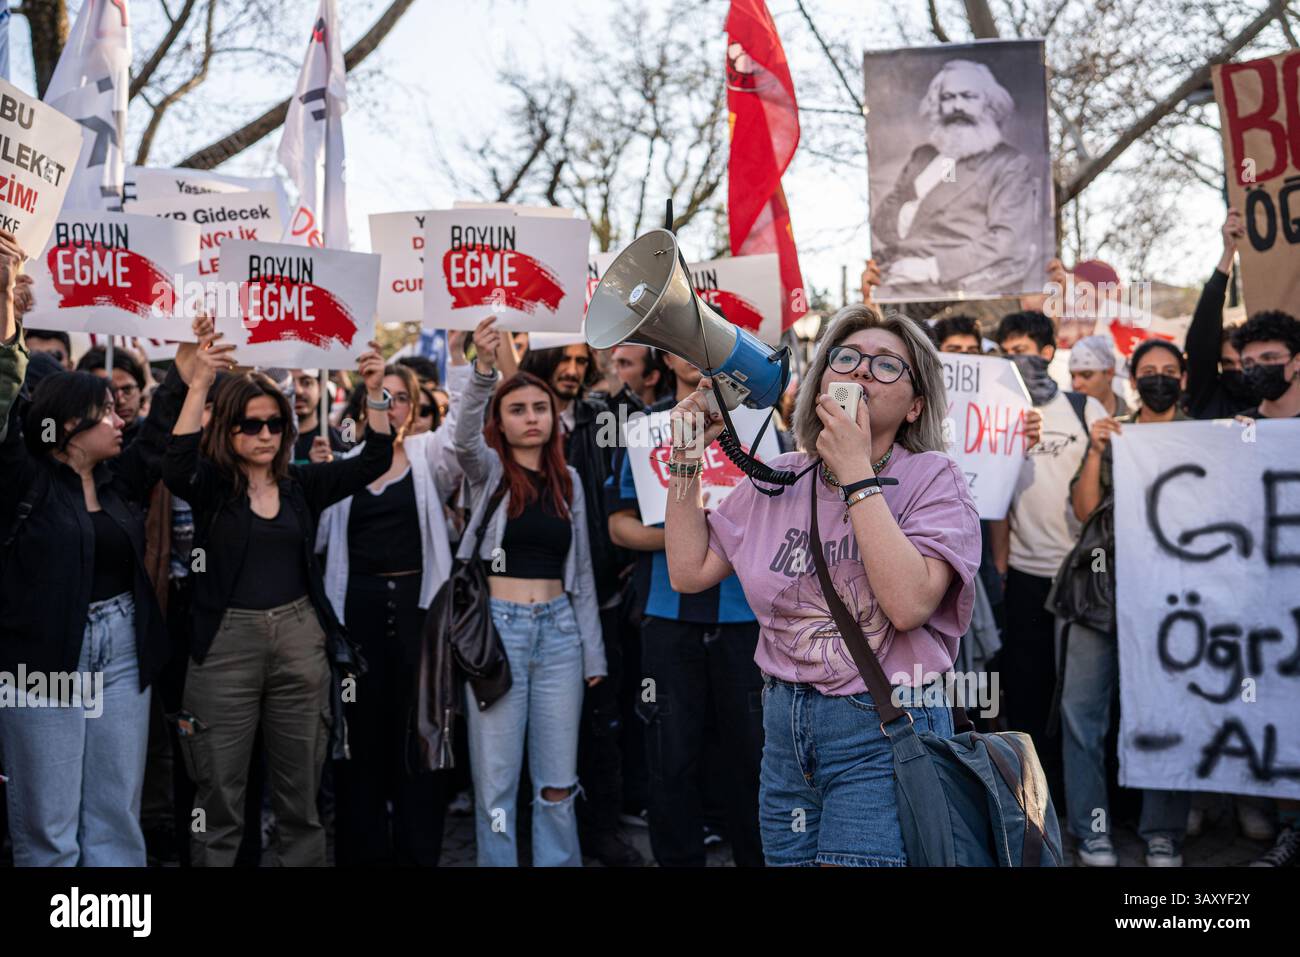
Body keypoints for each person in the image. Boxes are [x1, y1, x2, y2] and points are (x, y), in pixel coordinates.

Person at [664, 304, 981, 865]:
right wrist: (687, 457)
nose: (861, 372)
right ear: (819, 384)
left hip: (884, 731)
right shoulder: (783, 476)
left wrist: (858, 473)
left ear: (915, 407)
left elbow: (908, 605)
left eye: (887, 366)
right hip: (785, 732)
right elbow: (689, 572)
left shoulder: (932, 478)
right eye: (847, 358)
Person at [0, 269, 213, 867]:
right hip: (43, 662)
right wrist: (5, 308)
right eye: (105, 414)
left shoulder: (120, 481)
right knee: (49, 827)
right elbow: (3, 387)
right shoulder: (21, 479)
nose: (121, 419)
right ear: (68, 427)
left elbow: (162, 439)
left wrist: (187, 370)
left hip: (122, 656)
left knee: (116, 817)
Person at [162, 337, 394, 867]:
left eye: (274, 423)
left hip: (299, 643)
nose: (265, 434)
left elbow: (373, 459)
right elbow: (174, 466)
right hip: (223, 648)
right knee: (219, 799)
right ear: (228, 429)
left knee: (301, 799)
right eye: (250, 424)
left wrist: (375, 391)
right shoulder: (210, 486)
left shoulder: (301, 485)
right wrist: (199, 383)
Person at [453, 317, 605, 867]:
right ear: (502, 420)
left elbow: (581, 574)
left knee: (559, 783)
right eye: (517, 410)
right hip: (499, 633)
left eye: (539, 408)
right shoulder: (487, 472)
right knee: (495, 784)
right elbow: (461, 436)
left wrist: (593, 651)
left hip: (561, 636)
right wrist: (484, 370)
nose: (531, 417)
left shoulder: (570, 483)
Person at [607, 351, 767, 867]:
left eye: (715, 343)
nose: (698, 354)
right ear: (667, 360)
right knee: (670, 755)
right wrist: (689, 536)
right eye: (684, 340)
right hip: (668, 617)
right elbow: (619, 526)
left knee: (753, 756)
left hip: (746, 619)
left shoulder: (765, 428)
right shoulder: (646, 430)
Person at [317, 362, 463, 866]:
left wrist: (465, 361)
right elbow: (314, 542)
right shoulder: (345, 462)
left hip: (418, 622)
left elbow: (465, 433)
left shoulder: (429, 456)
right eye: (382, 396)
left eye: (402, 397)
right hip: (356, 623)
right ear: (364, 406)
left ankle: (417, 852)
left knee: (418, 739)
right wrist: (314, 484)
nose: (393, 405)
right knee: (358, 743)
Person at [1061, 339, 1191, 868]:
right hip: (1103, 593)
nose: (1159, 379)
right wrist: (1095, 451)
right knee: (1082, 712)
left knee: (1169, 712)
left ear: (1183, 379)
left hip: (1176, 599)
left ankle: (1163, 832)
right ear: (1132, 381)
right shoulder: (1114, 436)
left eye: (1169, 371)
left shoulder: (1207, 435)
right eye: (1149, 371)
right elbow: (1084, 509)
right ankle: (1092, 828)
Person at [521, 340, 639, 865]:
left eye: (578, 362)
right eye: (560, 361)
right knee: (532, 721)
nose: (570, 371)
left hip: (601, 593)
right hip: (531, 597)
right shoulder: (512, 423)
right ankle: (534, 828)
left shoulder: (600, 416)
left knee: (600, 719)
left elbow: (642, 433)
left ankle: (601, 829)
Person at [989, 310, 1106, 805]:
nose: (1021, 360)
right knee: (1028, 689)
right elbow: (996, 502)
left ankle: (1088, 797)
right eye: (1009, 352)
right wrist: (1000, 568)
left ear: (1049, 353)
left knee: (1078, 693)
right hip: (1025, 576)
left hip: (1080, 578)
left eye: (1028, 351)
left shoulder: (1085, 409)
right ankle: (1039, 800)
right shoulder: (996, 417)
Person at [870, 59, 1039, 296]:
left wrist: (930, 268)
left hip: (946, 287)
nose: (957, 106)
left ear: (988, 103)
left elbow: (1007, 240)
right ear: (937, 104)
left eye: (968, 96)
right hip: (893, 276)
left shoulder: (1008, 163)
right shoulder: (923, 156)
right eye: (948, 97)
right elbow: (882, 220)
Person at [1185, 209, 1255, 420]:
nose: (1237, 369)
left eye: (1245, 362)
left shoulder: (1275, 400)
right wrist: (1228, 253)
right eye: (1228, 363)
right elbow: (1202, 333)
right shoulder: (1207, 396)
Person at [1232, 311, 1300, 421]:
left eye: (1269, 358)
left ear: (1297, 361)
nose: (1257, 368)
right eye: (1248, 362)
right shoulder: (1239, 427)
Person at [77, 345, 149, 441]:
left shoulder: (159, 437)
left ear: (140, 389)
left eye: (127, 389)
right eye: (109, 392)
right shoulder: (76, 441)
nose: (121, 400)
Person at [290, 368, 347, 465]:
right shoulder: (267, 442)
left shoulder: (341, 445)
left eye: (306, 383)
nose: (297, 391)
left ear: (320, 388)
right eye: (289, 384)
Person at [1068, 334, 1129, 417]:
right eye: (1073, 376)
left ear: (1109, 373)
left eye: (1086, 375)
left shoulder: (1135, 419)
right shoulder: (1066, 417)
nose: (1076, 384)